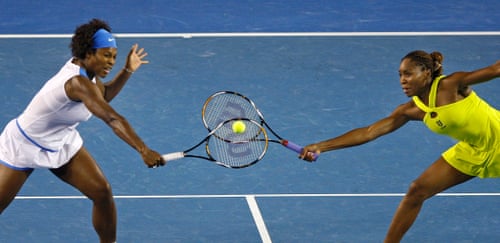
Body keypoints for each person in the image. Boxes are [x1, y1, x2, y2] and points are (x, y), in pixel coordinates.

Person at [299, 50, 499, 242]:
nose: (403, 80)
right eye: (400, 75)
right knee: (416, 191)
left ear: (426, 73)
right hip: (473, 150)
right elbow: (369, 132)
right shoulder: (410, 110)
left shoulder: (451, 84)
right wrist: (321, 146)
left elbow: (495, 70)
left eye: (408, 74)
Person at [0, 19, 165, 242]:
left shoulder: (90, 76)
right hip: (24, 144)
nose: (111, 62)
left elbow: (103, 97)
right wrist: (143, 149)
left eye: (114, 56)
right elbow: (112, 118)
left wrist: (127, 70)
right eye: (106, 55)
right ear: (88, 53)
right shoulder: (77, 82)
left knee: (102, 192)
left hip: (60, 141)